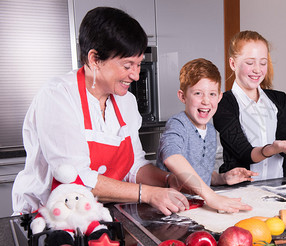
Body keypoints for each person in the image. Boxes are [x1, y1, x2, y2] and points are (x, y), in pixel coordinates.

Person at [12, 7, 189, 216]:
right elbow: (75, 178)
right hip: (46, 216)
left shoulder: (127, 102)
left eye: (139, 64)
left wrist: (168, 180)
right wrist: (149, 194)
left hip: (92, 213)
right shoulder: (58, 96)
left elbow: (133, 166)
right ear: (95, 59)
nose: (136, 75)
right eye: (127, 65)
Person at [213, 30, 286, 180]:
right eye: (250, 63)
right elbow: (243, 153)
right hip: (241, 191)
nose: (257, 69)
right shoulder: (222, 103)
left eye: (263, 63)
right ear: (233, 63)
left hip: (280, 188)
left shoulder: (279, 99)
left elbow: (284, 150)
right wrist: (273, 148)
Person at [156, 58, 255, 213]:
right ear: (183, 97)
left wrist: (222, 178)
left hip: (198, 207)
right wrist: (211, 197)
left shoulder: (210, 131)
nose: (206, 101)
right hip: (172, 208)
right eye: (198, 93)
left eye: (212, 94)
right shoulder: (178, 124)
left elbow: (202, 174)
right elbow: (172, 157)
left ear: (219, 97)